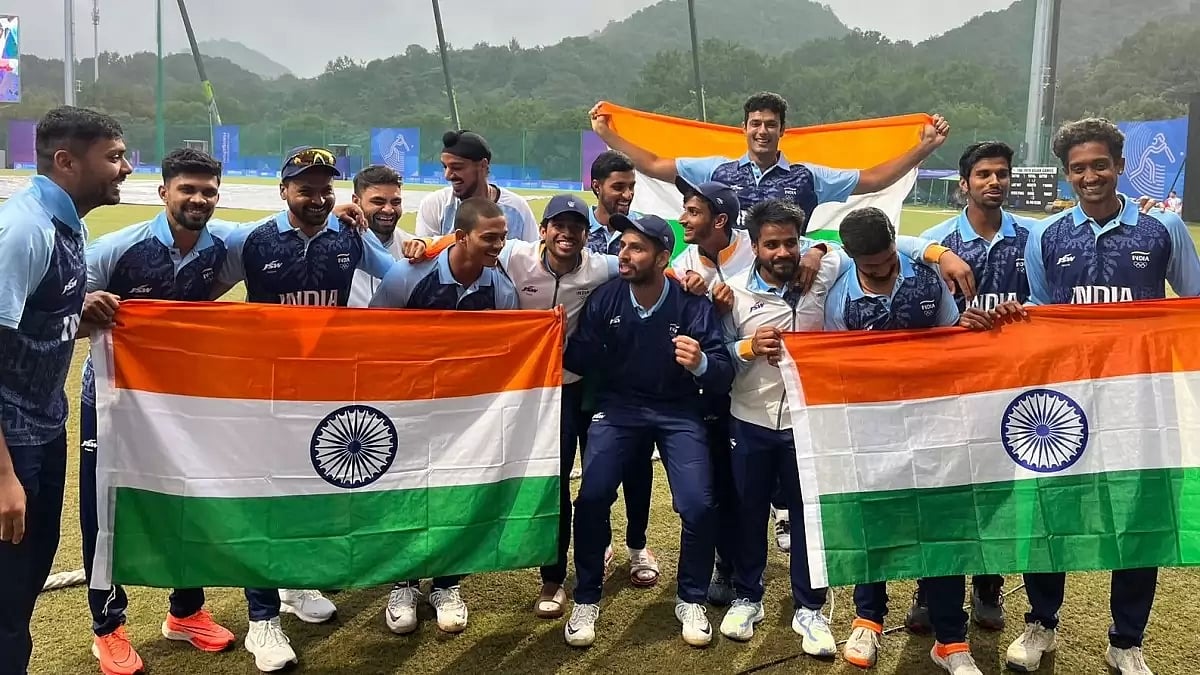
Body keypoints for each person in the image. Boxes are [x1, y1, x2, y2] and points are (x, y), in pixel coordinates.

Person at [1007, 118, 1200, 675]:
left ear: (1119, 165)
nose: (1089, 176)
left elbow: (1192, 303)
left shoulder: (1164, 227)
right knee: (1051, 512)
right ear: (1068, 175)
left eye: (1099, 165)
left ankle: (1127, 640)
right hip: (1065, 402)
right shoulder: (1047, 236)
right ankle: (1042, 623)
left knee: (1137, 517)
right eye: (1078, 168)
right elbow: (1042, 316)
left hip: (1140, 398)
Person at [214, 145, 396, 672]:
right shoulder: (252, 238)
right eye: (305, 188)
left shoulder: (349, 235)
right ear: (283, 191)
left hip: (325, 386)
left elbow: (398, 276)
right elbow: (203, 291)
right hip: (266, 388)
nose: (317, 198)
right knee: (265, 497)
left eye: (325, 189)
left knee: (314, 489)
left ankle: (294, 583)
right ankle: (261, 621)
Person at [77, 148, 238, 675]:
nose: (198, 199)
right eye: (187, 189)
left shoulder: (223, 249)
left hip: (182, 402)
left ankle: (186, 612)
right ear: (163, 191)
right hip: (112, 399)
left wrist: (348, 214)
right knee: (106, 509)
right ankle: (108, 629)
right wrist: (84, 307)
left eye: (208, 191)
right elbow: (56, 306)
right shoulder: (117, 248)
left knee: (187, 501)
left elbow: (282, 225)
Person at [826, 207, 1003, 675]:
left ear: (893, 243)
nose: (883, 269)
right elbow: (834, 365)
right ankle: (868, 619)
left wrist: (962, 326)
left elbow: (948, 339)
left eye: (888, 258)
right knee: (874, 522)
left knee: (941, 523)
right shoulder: (839, 293)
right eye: (872, 265)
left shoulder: (926, 278)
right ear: (851, 257)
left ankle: (949, 640)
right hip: (871, 426)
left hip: (933, 421)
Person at [562, 214, 734, 648]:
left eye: (637, 248)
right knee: (594, 495)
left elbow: (722, 371)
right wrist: (573, 340)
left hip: (679, 412)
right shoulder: (606, 299)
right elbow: (579, 357)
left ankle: (690, 599)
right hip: (619, 408)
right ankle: (586, 598)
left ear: (662, 258)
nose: (624, 254)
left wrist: (700, 363)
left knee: (697, 504)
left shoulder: (691, 301)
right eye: (623, 246)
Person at [0, 105, 130, 675]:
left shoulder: (68, 222)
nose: (126, 168)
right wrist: (3, 475)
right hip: (10, 444)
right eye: (115, 156)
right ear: (65, 160)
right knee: (6, 592)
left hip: (46, 426)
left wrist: (78, 312)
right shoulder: (22, 228)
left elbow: (31, 319)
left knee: (27, 576)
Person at [905, 141, 1039, 636]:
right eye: (983, 173)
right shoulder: (935, 239)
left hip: (1013, 387)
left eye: (1002, 173)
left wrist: (1022, 316)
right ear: (965, 183)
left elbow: (1048, 305)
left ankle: (988, 584)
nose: (994, 182)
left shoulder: (1035, 237)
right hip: (951, 387)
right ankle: (929, 589)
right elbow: (899, 256)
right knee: (943, 487)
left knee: (1000, 490)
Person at [369, 197, 518, 635]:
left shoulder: (501, 289)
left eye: (503, 238)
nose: (498, 246)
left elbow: (506, 353)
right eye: (489, 238)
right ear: (460, 236)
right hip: (407, 407)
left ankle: (447, 584)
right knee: (407, 493)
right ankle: (404, 582)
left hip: (465, 414)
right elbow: (373, 337)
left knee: (456, 494)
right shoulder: (408, 275)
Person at [717, 199, 841, 656]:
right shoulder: (732, 292)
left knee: (810, 515)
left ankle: (810, 608)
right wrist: (747, 346)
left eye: (791, 242)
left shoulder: (823, 275)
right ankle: (749, 597)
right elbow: (718, 351)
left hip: (807, 422)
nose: (783, 252)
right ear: (754, 246)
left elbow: (856, 243)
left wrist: (819, 251)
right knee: (749, 512)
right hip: (748, 418)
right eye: (772, 244)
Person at [589, 92, 949, 228]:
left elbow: (875, 179)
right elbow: (652, 165)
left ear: (782, 130)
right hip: (726, 283)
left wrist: (925, 147)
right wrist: (607, 135)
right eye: (756, 124)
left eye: (771, 125)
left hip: (787, 283)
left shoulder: (808, 176)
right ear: (743, 128)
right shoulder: (715, 170)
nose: (763, 131)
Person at [415, 130, 539, 242]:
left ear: (483, 165)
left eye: (457, 167)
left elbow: (532, 257)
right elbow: (427, 259)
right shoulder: (434, 205)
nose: (447, 175)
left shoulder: (517, 208)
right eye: (445, 167)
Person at [347, 165, 419, 308]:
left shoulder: (414, 248)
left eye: (396, 202)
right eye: (378, 202)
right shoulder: (336, 245)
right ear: (356, 201)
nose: (388, 209)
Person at [587, 150, 640, 255]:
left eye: (631, 187)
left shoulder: (642, 228)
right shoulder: (578, 227)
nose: (628, 195)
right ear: (597, 186)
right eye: (618, 187)